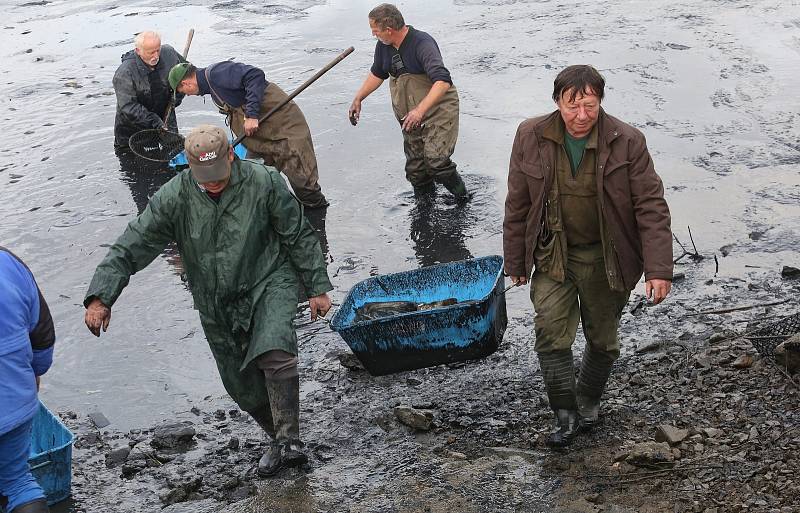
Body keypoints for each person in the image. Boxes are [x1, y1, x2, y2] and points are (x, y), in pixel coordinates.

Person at [83, 125, 333, 476]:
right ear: (189, 166)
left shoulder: (265, 183)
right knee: (240, 384)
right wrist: (101, 296)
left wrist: (316, 286)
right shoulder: (175, 196)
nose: (213, 183)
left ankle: (291, 441)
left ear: (232, 155)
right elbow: (133, 244)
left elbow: (298, 235)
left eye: (218, 174)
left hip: (268, 278)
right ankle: (277, 438)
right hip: (215, 298)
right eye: (205, 177)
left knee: (275, 347)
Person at [503, 65, 673, 447]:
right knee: (549, 333)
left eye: (590, 106)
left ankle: (589, 399)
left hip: (607, 258)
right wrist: (515, 261)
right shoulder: (530, 135)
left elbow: (651, 206)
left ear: (600, 101)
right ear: (557, 103)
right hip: (553, 254)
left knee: (603, 339)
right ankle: (564, 413)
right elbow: (517, 203)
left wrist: (658, 269)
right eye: (572, 106)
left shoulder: (627, 140)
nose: (582, 116)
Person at [348, 3, 469, 201]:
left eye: (375, 31)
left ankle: (462, 198)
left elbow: (442, 81)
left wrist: (420, 111)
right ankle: (425, 205)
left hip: (438, 111)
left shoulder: (422, 43)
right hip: (410, 116)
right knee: (416, 170)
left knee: (436, 161)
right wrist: (358, 98)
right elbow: (377, 73)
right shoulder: (383, 47)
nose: (373, 35)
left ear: (389, 30)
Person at [168, 61, 328, 209]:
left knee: (304, 186)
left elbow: (254, 75)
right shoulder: (212, 87)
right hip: (260, 139)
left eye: (184, 92)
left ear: (186, 83)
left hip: (284, 128)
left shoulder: (217, 73)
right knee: (252, 181)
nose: (188, 95)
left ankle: (318, 220)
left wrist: (251, 115)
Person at [0, 247, 56, 513]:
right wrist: (33, 374)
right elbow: (42, 336)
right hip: (15, 404)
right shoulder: (8, 263)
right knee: (17, 483)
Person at [113, 31, 186, 150]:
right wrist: (155, 121)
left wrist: (178, 96)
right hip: (133, 130)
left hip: (166, 119)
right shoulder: (124, 73)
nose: (156, 56)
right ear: (138, 51)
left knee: (174, 154)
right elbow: (128, 106)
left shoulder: (169, 54)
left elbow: (187, 76)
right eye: (151, 52)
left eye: (158, 50)